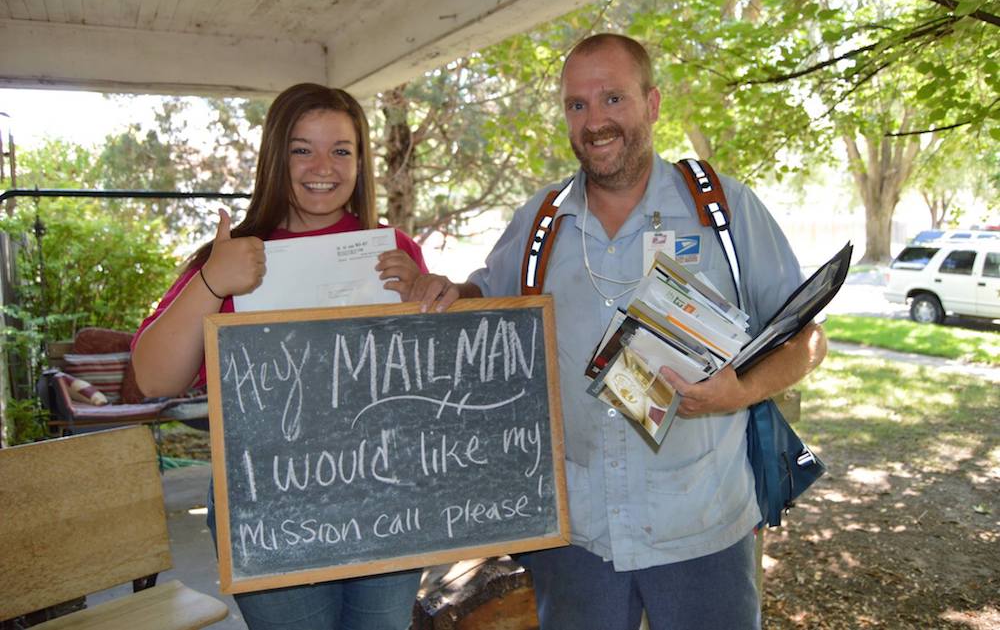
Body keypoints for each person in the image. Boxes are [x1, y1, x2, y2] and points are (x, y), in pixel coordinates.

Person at [397, 34, 828, 630]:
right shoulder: (540, 222)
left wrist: (741, 391)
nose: (595, 120)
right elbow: (484, 300)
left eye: (613, 98)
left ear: (651, 104)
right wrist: (445, 292)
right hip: (579, 539)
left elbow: (808, 338)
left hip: (701, 527)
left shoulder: (723, 210)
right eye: (578, 105)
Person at [131, 83, 427, 630]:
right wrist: (211, 281)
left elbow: (430, 379)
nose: (323, 166)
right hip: (268, 506)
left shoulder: (393, 249)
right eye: (301, 148)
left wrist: (427, 298)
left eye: (341, 149)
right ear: (274, 157)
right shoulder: (229, 258)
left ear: (361, 161)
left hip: (385, 497)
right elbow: (153, 378)